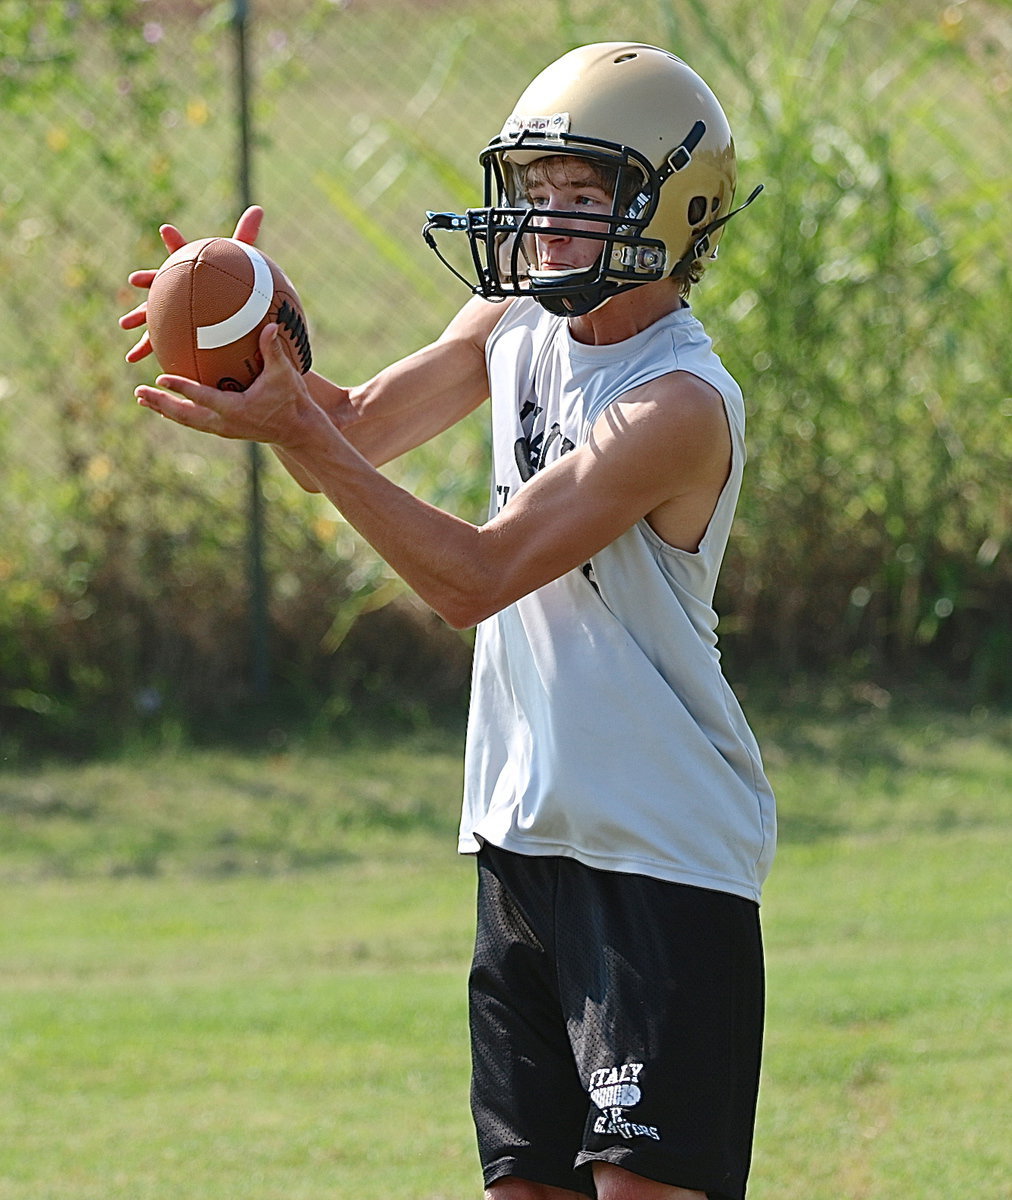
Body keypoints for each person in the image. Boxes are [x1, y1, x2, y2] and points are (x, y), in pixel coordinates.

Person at [121, 42, 775, 1200]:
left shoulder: (674, 404)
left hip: (660, 850)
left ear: (674, 212)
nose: (549, 223)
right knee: (523, 1189)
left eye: (587, 196)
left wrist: (303, 437)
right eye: (537, 192)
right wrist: (251, 348)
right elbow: (358, 428)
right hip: (521, 839)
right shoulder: (510, 323)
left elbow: (474, 577)